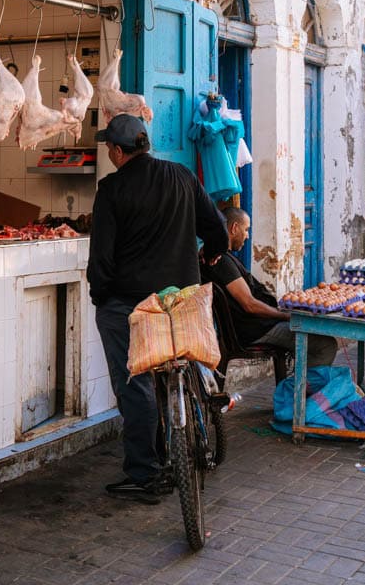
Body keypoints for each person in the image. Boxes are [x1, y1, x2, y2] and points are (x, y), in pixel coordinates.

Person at [87, 113, 229, 504]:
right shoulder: (182, 176)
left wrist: (101, 298)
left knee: (134, 385)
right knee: (186, 357)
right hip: (180, 298)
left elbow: (100, 258)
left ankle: (144, 473)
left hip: (132, 305)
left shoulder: (112, 190)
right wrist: (212, 255)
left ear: (117, 152)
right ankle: (204, 401)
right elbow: (217, 227)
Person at [202, 207, 337, 366]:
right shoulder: (222, 262)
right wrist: (283, 315)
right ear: (234, 228)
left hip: (258, 325)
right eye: (246, 230)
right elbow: (249, 305)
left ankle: (302, 385)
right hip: (254, 330)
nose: (247, 235)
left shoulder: (223, 258)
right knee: (326, 345)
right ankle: (299, 389)